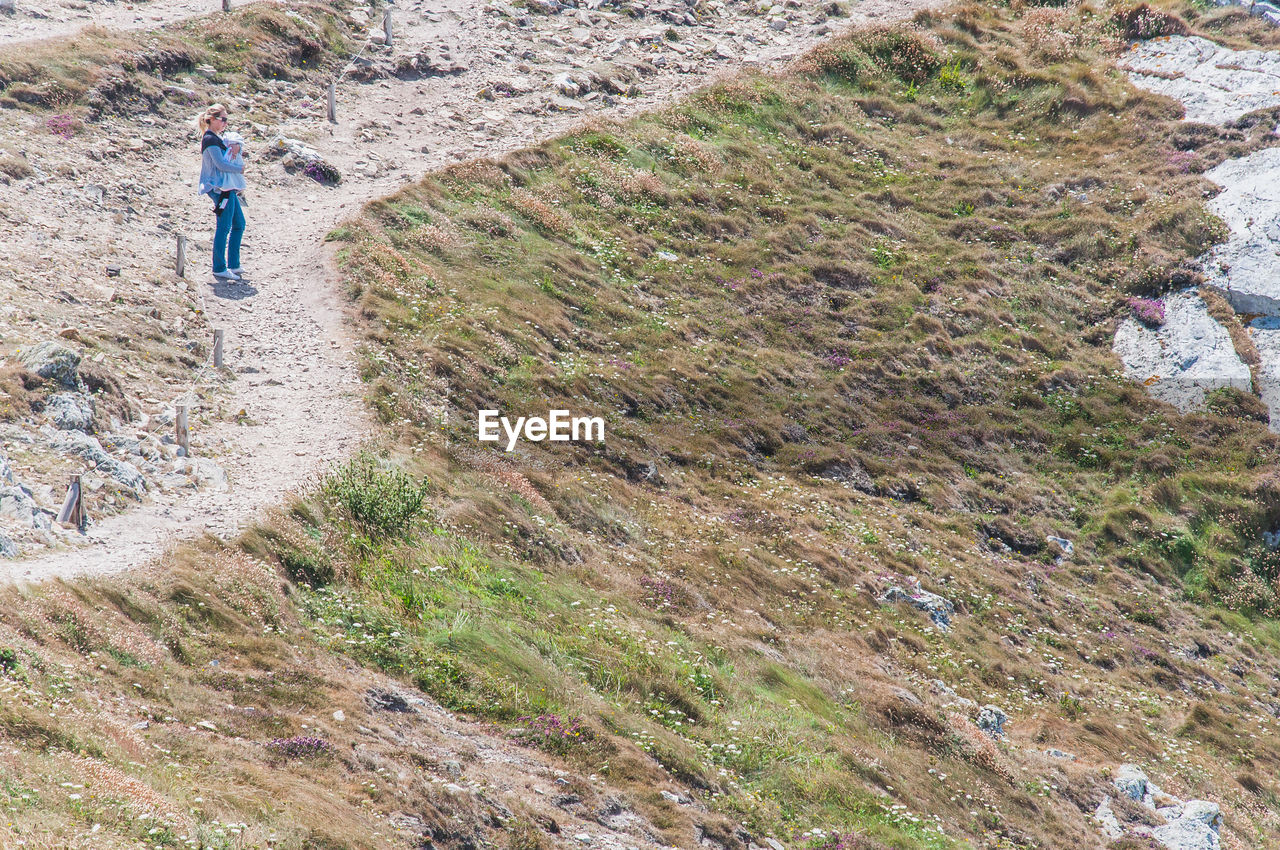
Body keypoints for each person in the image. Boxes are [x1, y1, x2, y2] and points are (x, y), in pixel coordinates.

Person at [196, 104, 247, 281]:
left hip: (227, 187)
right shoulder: (209, 139)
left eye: (226, 119)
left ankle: (234, 264)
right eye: (222, 119)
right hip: (219, 189)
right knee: (224, 227)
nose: (225, 122)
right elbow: (220, 164)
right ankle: (219, 267)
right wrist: (239, 169)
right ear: (212, 119)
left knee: (239, 223)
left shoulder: (216, 138)